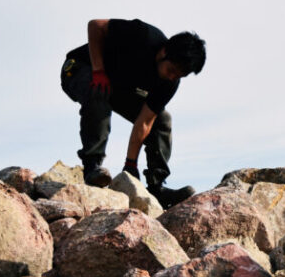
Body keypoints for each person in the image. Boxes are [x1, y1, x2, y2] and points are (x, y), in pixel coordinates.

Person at [60, 18, 205, 208]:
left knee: (162, 119)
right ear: (164, 52)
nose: (172, 77)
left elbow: (145, 121)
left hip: (117, 87)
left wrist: (131, 165)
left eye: (179, 75)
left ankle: (156, 187)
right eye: (171, 70)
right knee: (100, 91)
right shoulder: (142, 35)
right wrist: (98, 70)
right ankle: (92, 167)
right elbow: (95, 26)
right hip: (80, 68)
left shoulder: (170, 83)